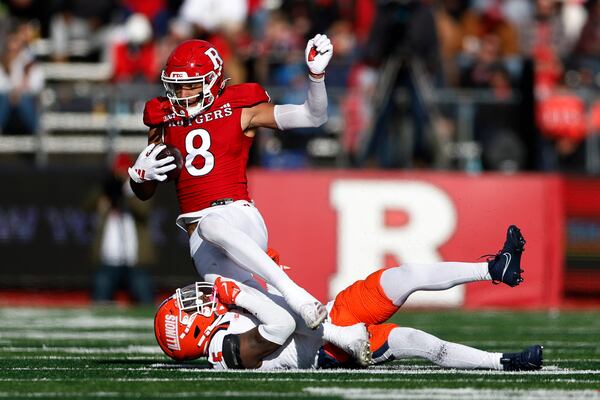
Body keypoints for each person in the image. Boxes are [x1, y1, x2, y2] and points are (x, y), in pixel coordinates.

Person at [127, 35, 334, 333]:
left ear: (211, 80)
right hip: (200, 241)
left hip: (239, 217)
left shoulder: (240, 106)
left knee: (211, 224)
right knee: (276, 322)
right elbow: (145, 193)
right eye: (176, 85)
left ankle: (295, 292)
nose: (181, 92)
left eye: (191, 84)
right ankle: (343, 337)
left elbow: (313, 116)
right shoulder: (163, 117)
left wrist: (316, 76)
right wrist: (139, 176)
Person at [155, 225, 543, 371]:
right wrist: (246, 293)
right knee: (417, 342)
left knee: (402, 276)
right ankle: (504, 363)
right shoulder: (226, 352)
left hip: (333, 318)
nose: (196, 301)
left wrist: (262, 285)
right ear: (190, 332)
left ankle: (494, 269)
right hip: (331, 350)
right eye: (188, 309)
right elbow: (281, 324)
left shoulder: (221, 322)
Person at [88, 153, 156, 305]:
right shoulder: (107, 190)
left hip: (135, 260)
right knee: (100, 303)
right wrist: (107, 188)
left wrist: (128, 186)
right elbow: (87, 206)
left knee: (146, 303)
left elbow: (143, 210)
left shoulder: (139, 191)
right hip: (108, 258)